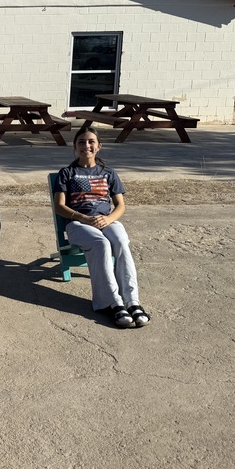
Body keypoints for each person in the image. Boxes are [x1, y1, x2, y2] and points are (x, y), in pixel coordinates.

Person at [51, 125, 150, 328]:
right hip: (78, 224)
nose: (86, 146)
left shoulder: (108, 173)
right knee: (101, 244)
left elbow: (120, 206)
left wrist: (109, 219)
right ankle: (112, 303)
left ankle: (132, 302)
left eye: (91, 142)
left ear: (98, 146)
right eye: (81, 142)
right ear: (75, 146)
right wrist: (83, 218)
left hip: (107, 220)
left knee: (121, 241)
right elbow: (60, 206)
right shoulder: (67, 173)